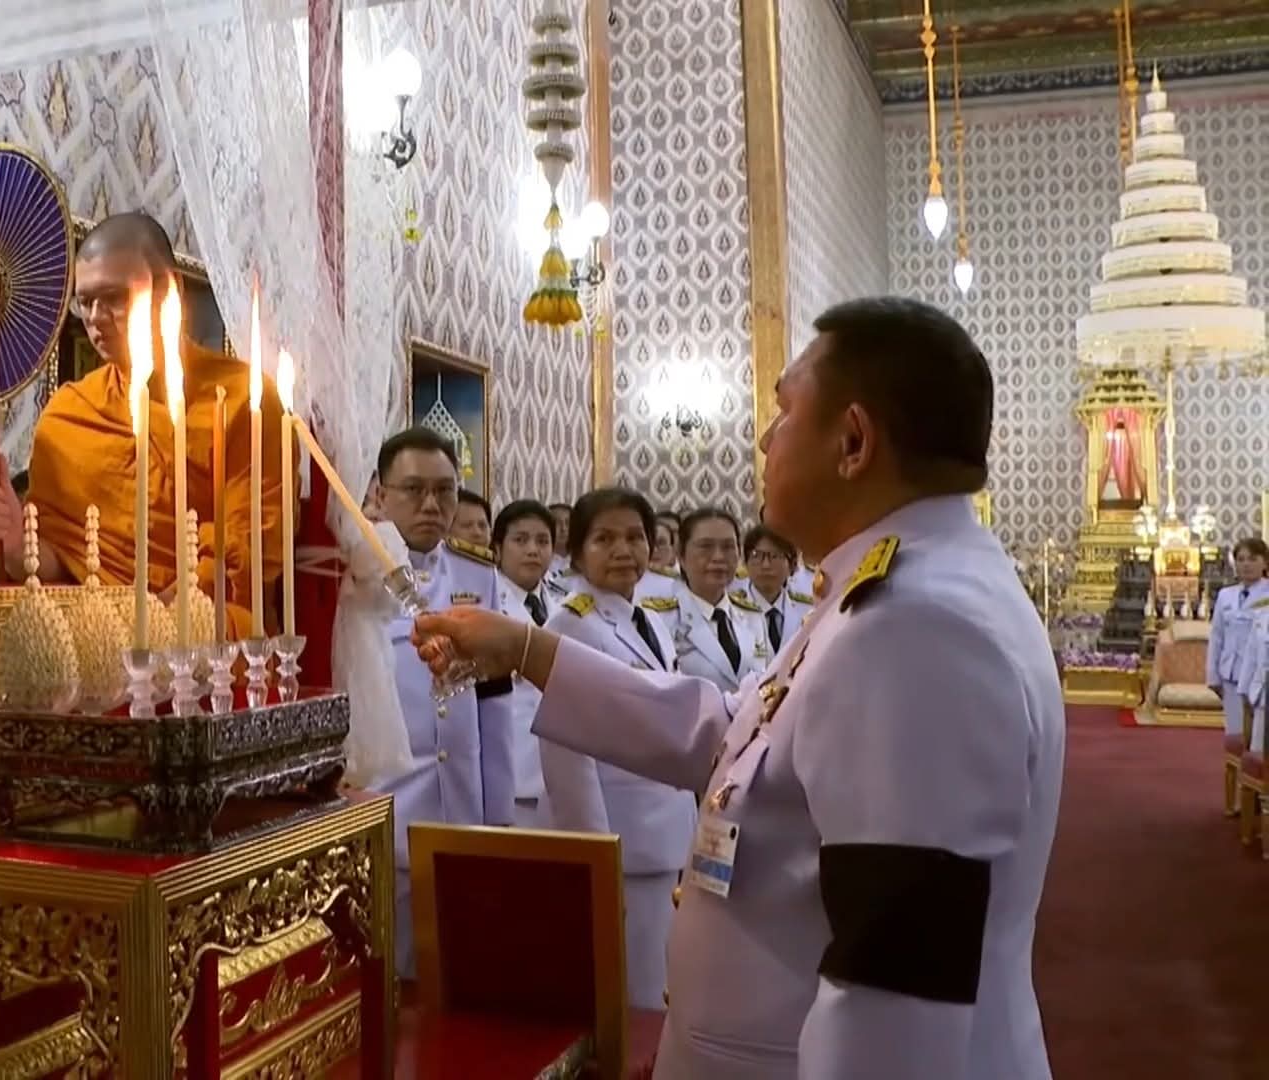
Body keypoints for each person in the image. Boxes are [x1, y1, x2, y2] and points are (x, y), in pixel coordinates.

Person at [412, 297, 1063, 1079]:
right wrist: (524, 649)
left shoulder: (916, 626)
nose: (765, 436)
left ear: (853, 441)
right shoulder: (885, 593)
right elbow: (731, 732)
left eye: (784, 410)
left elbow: (895, 997)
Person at [0, 213, 282, 635]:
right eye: (85, 301)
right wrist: (14, 544)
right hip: (98, 631)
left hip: (207, 628)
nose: (95, 317)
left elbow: (247, 546)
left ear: (169, 290)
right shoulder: (68, 416)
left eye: (113, 297)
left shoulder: (244, 398)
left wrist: (158, 622)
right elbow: (68, 560)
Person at [540, 487, 694, 1010]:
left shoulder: (649, 620)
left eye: (634, 537)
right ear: (577, 552)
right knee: (632, 995)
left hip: (665, 834)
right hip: (621, 842)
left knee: (662, 984)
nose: (623, 549)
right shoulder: (571, 624)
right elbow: (566, 754)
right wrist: (595, 854)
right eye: (604, 538)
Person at [373, 425, 514, 978]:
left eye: (445, 490)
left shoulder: (477, 574)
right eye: (413, 490)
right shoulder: (354, 574)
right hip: (387, 812)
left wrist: (498, 819)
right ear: (381, 495)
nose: (431, 505)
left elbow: (495, 699)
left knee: (463, 974)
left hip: (463, 813)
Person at [492, 498, 557, 827]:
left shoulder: (567, 603)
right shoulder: (486, 604)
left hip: (561, 776)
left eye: (543, 541)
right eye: (521, 540)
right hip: (513, 777)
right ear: (498, 548)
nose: (533, 550)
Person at [656, 508, 767, 692]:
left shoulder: (752, 615)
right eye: (705, 547)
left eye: (728, 547)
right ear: (681, 556)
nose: (718, 557)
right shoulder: (661, 619)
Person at [1209, 537, 1269, 759]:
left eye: (1252, 559)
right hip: (1231, 674)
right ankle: (1236, 787)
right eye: (1241, 559)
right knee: (1234, 738)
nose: (1246, 564)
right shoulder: (1226, 595)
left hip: (1260, 679)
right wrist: (1213, 676)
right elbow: (1217, 637)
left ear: (1265, 563)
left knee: (1258, 741)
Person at [735, 523, 813, 655]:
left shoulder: (807, 610)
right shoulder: (731, 608)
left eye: (775, 556)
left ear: (792, 565)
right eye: (757, 555)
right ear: (745, 563)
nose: (766, 565)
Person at [546, 500, 575, 585]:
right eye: (557, 523)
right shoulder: (540, 559)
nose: (563, 528)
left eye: (568, 523)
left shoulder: (584, 559)